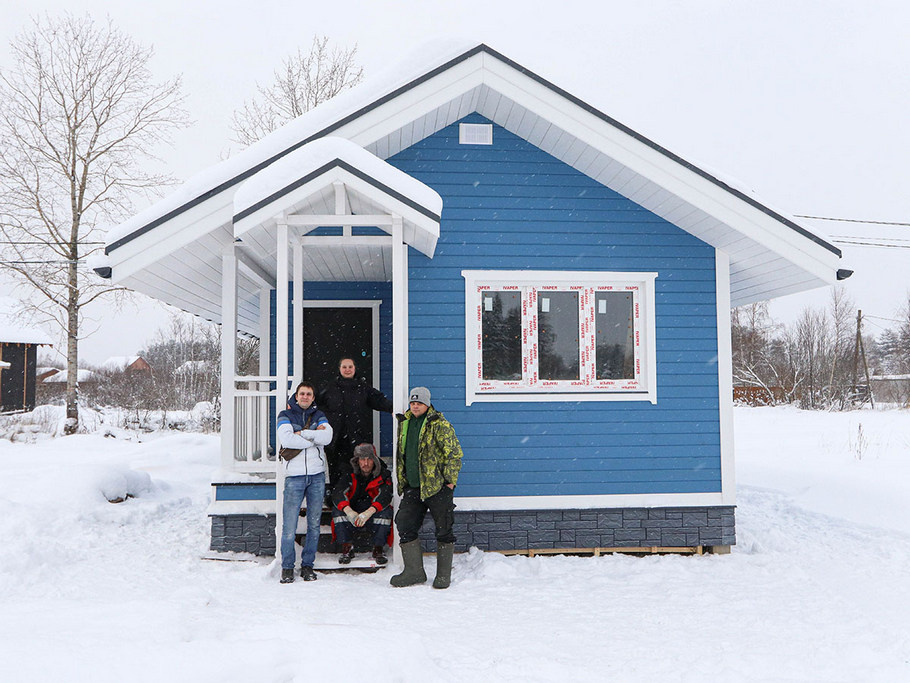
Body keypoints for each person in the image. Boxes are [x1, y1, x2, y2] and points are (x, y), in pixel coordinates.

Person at [390, 387, 463, 589]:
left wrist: (449, 483)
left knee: (444, 528)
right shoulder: (404, 423)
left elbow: (454, 453)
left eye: (419, 403)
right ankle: (414, 572)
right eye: (413, 402)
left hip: (437, 487)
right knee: (404, 523)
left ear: (427, 404)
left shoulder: (439, 424)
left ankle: (443, 575)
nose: (415, 406)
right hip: (413, 487)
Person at [277, 381, 332, 584]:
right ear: (296, 396)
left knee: (314, 525)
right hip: (295, 477)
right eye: (302, 393)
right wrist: (313, 439)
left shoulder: (319, 415)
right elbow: (287, 440)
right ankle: (287, 567)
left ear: (313, 397)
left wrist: (304, 434)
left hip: (317, 476)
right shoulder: (285, 415)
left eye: (309, 394)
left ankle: (307, 565)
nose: (306, 397)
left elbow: (327, 437)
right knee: (289, 526)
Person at [318, 357, 393, 488]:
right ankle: (337, 499)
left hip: (358, 438)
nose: (347, 370)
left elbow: (379, 400)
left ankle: (360, 498)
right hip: (336, 440)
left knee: (359, 470)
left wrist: (393, 408)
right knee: (336, 471)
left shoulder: (363, 388)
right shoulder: (329, 388)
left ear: (355, 368)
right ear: (339, 369)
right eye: (344, 367)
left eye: (350, 367)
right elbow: (313, 402)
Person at [331, 443, 394, 565]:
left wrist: (369, 511)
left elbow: (385, 495)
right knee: (338, 511)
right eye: (362, 459)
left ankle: (378, 548)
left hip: (372, 513)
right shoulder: (348, 473)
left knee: (385, 512)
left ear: (374, 460)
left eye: (369, 459)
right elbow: (338, 492)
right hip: (353, 513)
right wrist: (349, 511)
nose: (365, 463)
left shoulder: (383, 474)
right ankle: (347, 547)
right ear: (357, 461)